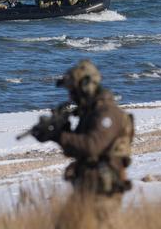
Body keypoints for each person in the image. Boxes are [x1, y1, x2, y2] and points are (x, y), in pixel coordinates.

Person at [30, 60, 134, 229]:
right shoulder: (91, 113)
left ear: (86, 86)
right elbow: (77, 149)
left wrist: (60, 136)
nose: (71, 96)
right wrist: (58, 131)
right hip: (86, 187)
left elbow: (92, 146)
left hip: (103, 193)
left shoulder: (107, 113)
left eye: (73, 91)